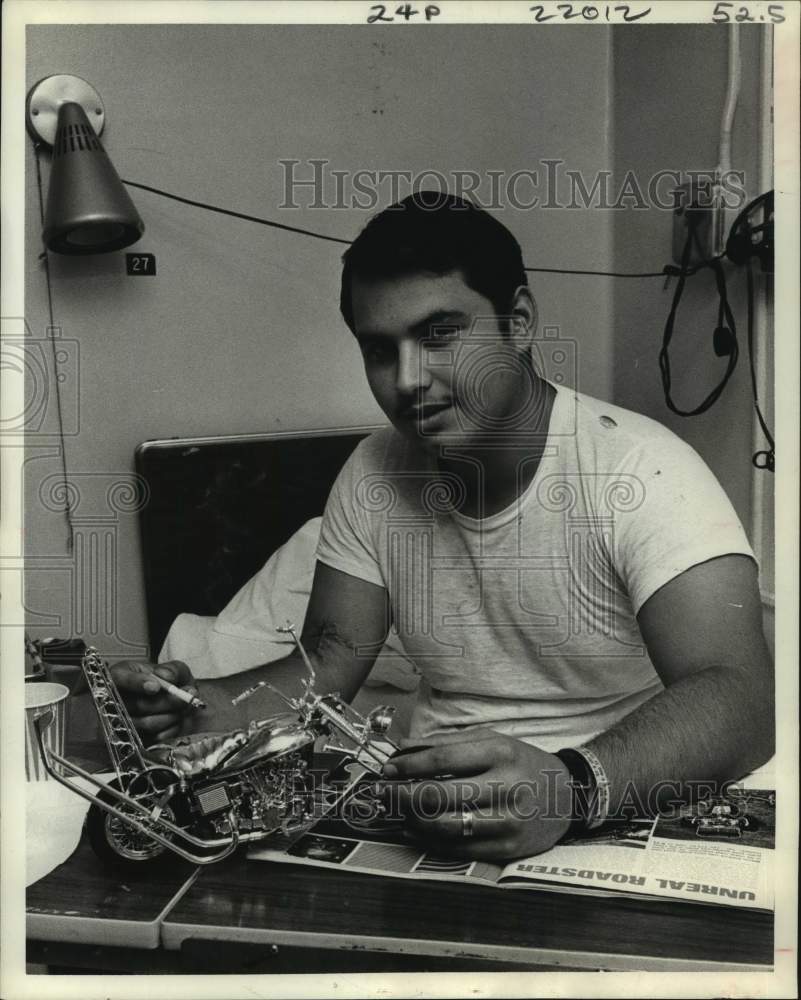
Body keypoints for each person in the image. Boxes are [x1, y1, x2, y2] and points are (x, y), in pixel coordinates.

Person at [113, 193, 774, 861]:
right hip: (425, 807)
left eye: (439, 335)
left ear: (517, 322)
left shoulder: (643, 470)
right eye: (379, 349)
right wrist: (203, 705)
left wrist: (570, 789)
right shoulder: (374, 472)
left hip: (608, 803)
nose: (407, 381)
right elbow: (328, 665)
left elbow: (742, 701)